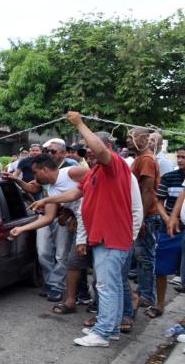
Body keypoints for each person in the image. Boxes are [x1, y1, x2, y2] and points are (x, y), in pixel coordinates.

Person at [33, 113, 137, 347]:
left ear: (108, 148)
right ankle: (110, 329)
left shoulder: (114, 164)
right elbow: (75, 194)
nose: (88, 154)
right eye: (85, 152)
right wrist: (46, 201)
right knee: (111, 285)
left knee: (106, 286)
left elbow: (100, 152)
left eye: (90, 150)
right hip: (101, 236)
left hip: (112, 237)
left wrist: (79, 124)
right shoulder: (96, 172)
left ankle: (102, 332)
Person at [9, 154, 90, 308]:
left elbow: (97, 181)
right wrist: (21, 228)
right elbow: (48, 217)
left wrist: (72, 214)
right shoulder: (51, 190)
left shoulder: (71, 172)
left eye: (35, 172)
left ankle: (84, 296)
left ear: (44, 170)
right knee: (72, 260)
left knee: (85, 263)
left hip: (94, 221)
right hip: (80, 223)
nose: (34, 177)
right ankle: (71, 296)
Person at [129, 127, 162, 314]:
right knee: (142, 257)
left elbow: (147, 191)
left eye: (131, 137)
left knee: (144, 257)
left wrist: (140, 218)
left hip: (147, 217)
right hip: (144, 216)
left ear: (142, 139)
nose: (127, 140)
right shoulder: (141, 159)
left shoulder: (147, 160)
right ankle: (144, 292)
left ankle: (146, 295)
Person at [151, 147, 185, 318]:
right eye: (178, 157)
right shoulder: (169, 177)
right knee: (161, 268)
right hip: (169, 229)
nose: (180, 160)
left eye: (183, 157)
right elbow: (158, 201)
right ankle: (160, 304)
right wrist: (167, 218)